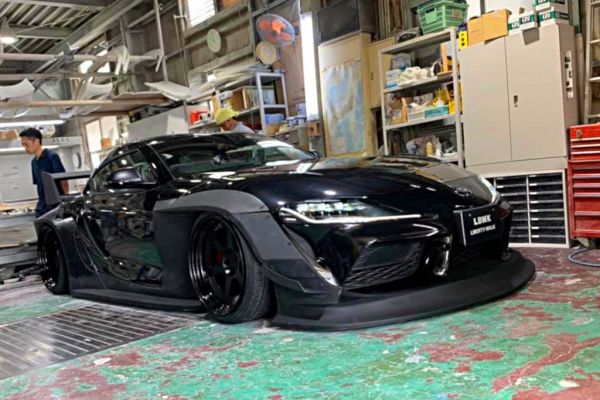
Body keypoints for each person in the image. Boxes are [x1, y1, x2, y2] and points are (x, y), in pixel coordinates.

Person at [19, 128, 68, 217]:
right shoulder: (34, 162)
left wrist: (65, 203)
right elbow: (39, 186)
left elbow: (63, 180)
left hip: (55, 206)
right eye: (23, 145)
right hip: (42, 207)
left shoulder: (51, 156)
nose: (25, 148)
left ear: (37, 141)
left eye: (26, 144)